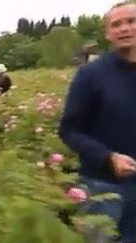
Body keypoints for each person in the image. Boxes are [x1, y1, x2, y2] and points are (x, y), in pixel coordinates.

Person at [59, 2, 136, 242]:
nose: (124, 28)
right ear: (107, 34)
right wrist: (107, 157)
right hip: (102, 188)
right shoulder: (91, 75)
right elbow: (69, 130)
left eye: (131, 21)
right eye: (116, 24)